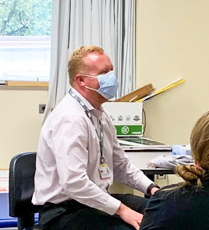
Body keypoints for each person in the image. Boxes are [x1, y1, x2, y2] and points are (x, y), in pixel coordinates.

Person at [34, 46, 160, 230]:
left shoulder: (100, 114)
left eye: (111, 70)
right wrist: (122, 210)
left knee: (161, 211)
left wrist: (152, 189)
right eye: (103, 72)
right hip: (64, 213)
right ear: (81, 80)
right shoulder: (70, 118)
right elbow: (74, 183)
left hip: (93, 203)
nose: (112, 77)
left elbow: (121, 165)